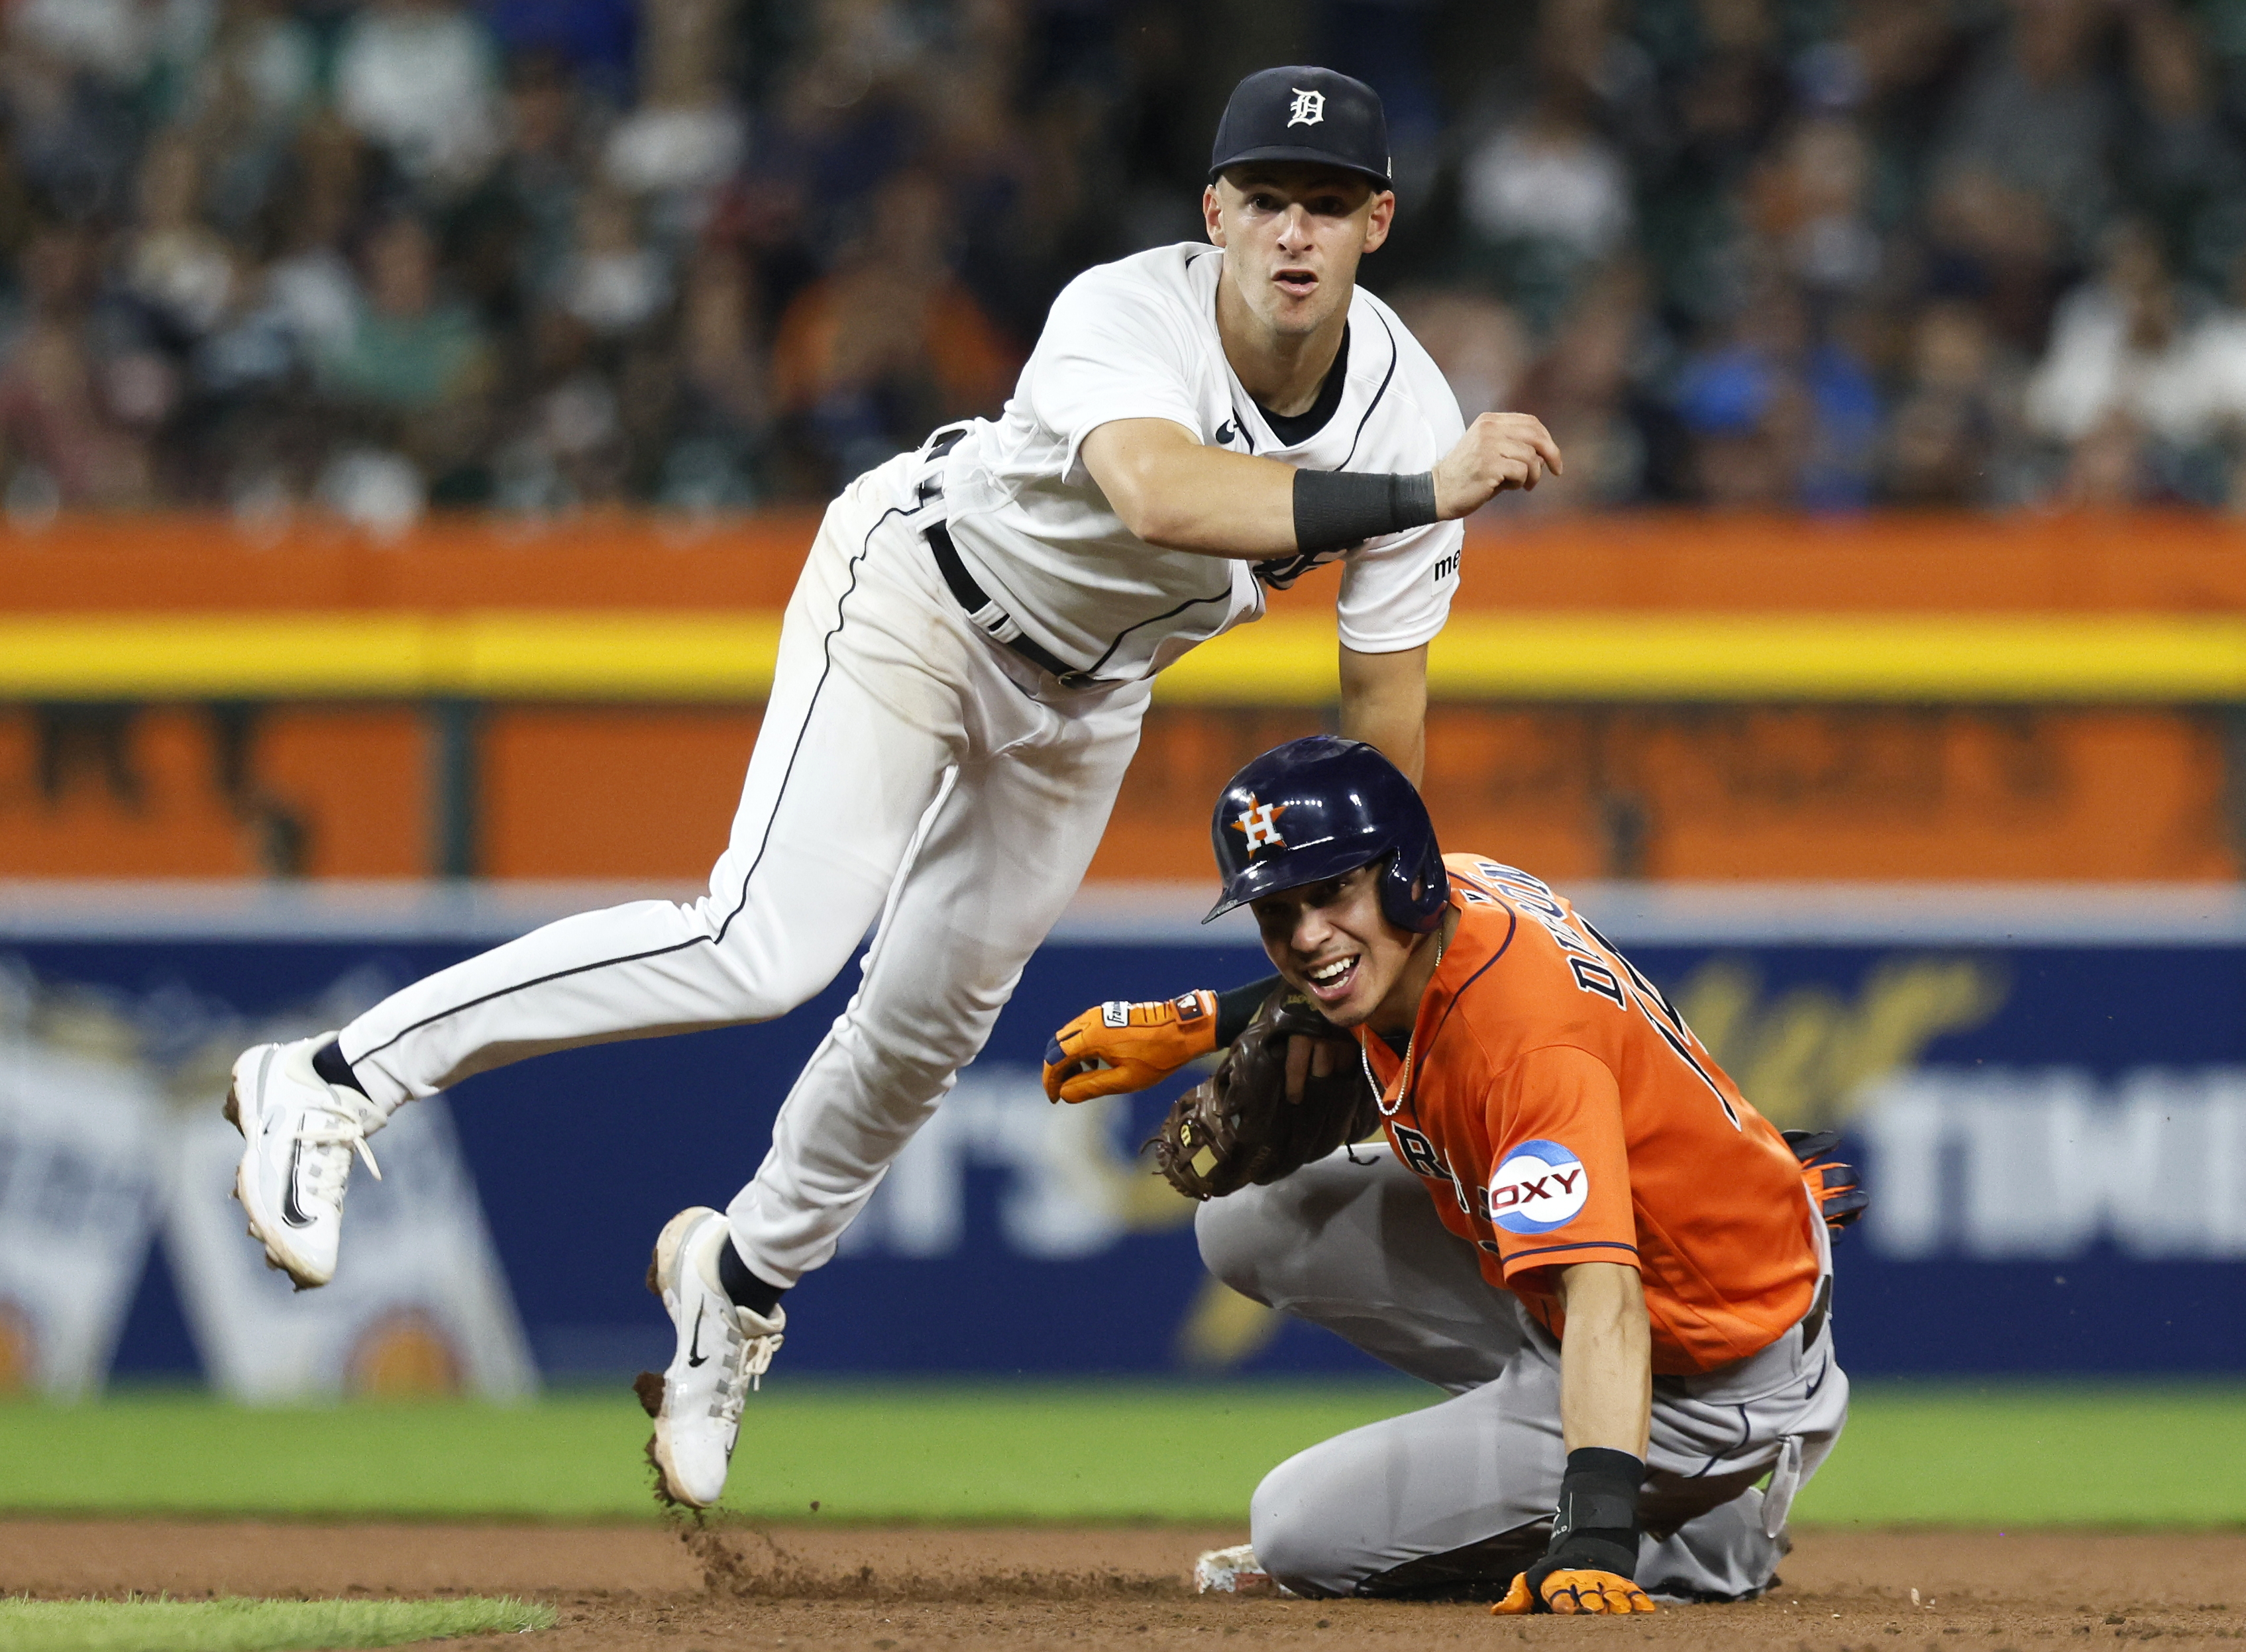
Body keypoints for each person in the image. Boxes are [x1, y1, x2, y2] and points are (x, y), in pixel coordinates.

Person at [221, 68, 1562, 1508]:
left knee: (929, 1025)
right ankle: (332, 1078)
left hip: (1089, 698)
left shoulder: (1409, 405)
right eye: (1268, 200)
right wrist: (1424, 490)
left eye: (1329, 205)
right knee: (762, 942)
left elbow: (1380, 724)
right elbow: (1167, 497)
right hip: (925, 599)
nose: (1294, 233)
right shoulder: (1133, 312)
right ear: (1215, 210)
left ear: (1380, 222)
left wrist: (1354, 969)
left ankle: (737, 1279)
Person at [1043, 735, 1857, 1608]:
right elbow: (1334, 967)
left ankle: (1697, 1542)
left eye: (1330, 893)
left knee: (1297, 1533)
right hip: (1660, 1273)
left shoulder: (1521, 1043)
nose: (1307, 935)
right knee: (1246, 1219)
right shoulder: (1454, 891)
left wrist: (1592, 1531)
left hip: (1701, 1372)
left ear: (1402, 878)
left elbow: (1603, 1296)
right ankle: (1640, 1492)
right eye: (1277, 910)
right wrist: (1200, 1019)